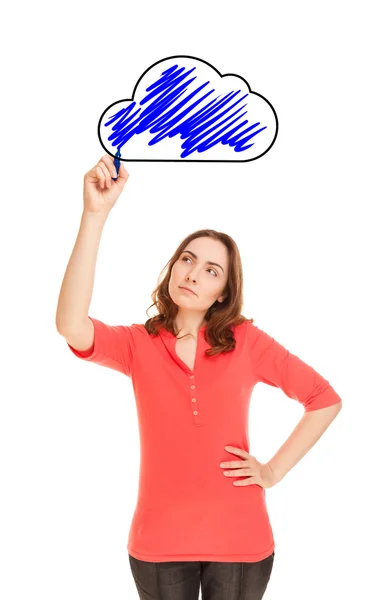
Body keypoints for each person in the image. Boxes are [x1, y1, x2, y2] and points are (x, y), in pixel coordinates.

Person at [56, 154, 343, 600]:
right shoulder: (137, 343)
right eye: (187, 259)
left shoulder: (246, 341)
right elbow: (71, 325)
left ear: (224, 291)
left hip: (240, 542)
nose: (193, 273)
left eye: (212, 270)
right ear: (172, 266)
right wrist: (95, 216)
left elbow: (324, 398)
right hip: (158, 543)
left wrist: (271, 471)